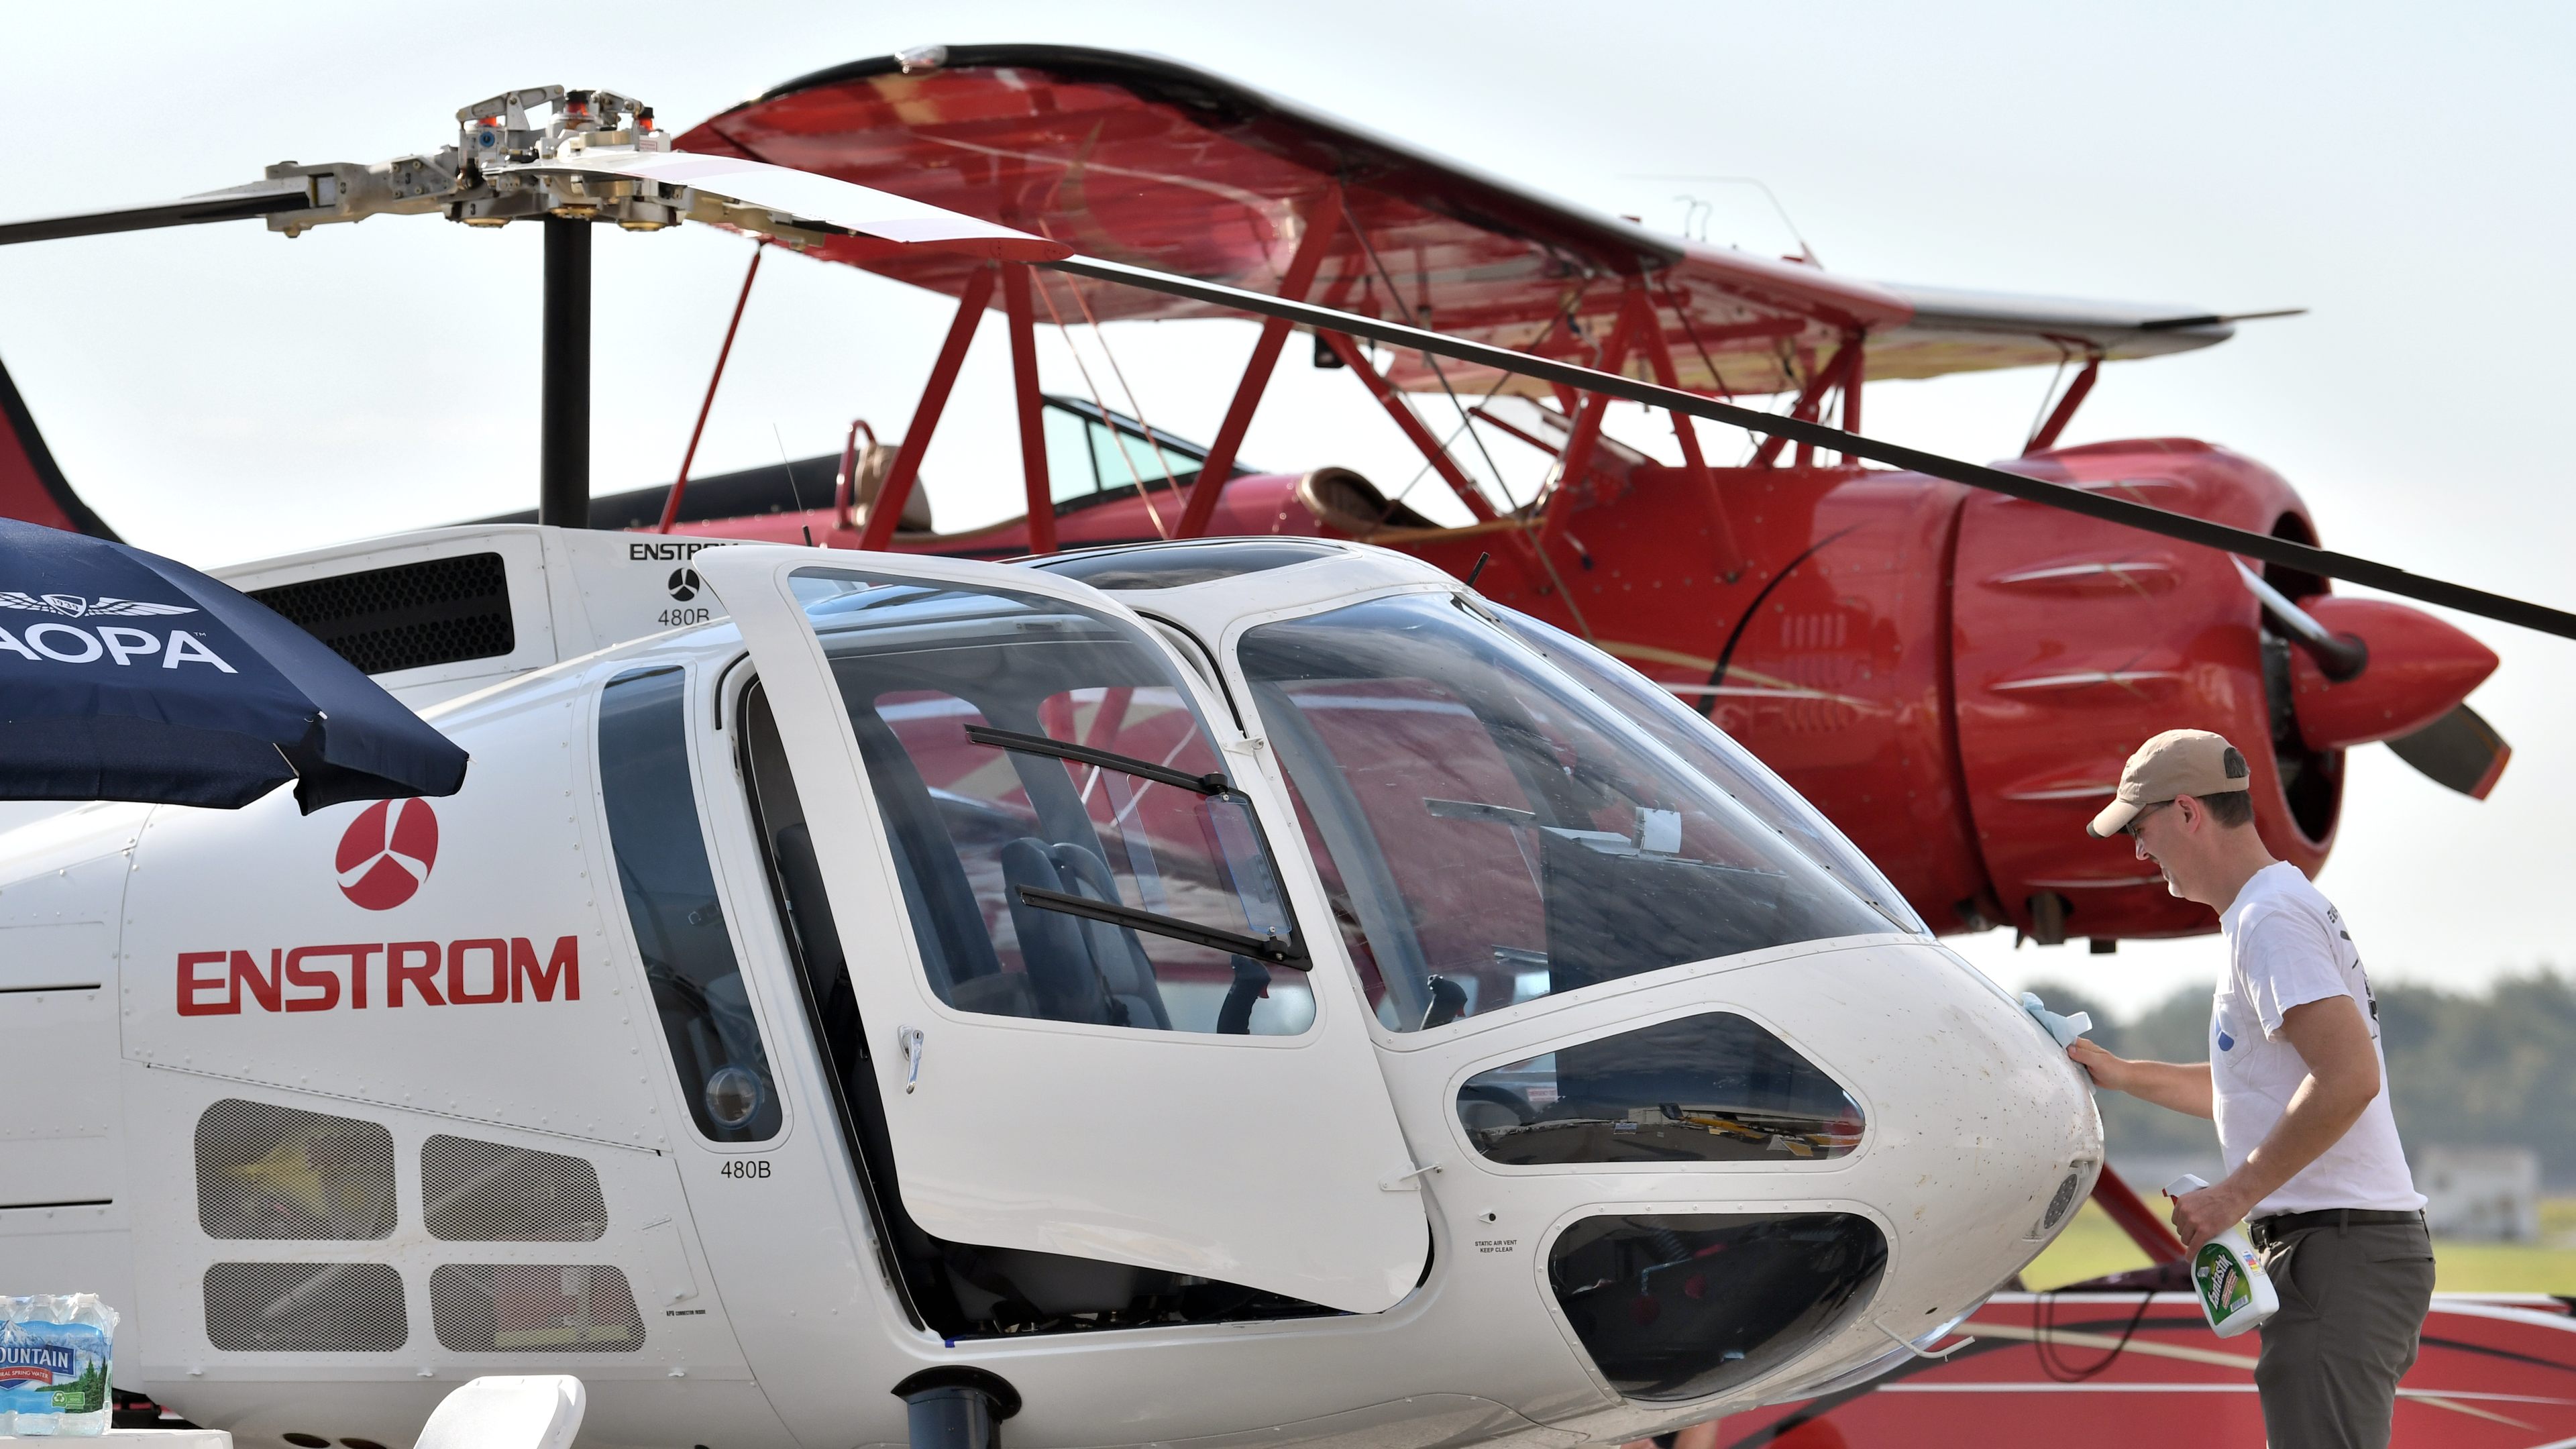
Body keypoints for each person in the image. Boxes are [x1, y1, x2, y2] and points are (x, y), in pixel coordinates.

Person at [2067, 729, 2431, 1449]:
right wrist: (2122, 1072)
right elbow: (2261, 1089)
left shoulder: (2269, 920)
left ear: (2188, 813)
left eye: (2141, 829)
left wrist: (2234, 1195)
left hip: (2338, 1251)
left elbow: (2348, 1079)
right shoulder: (2270, 910)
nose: (2141, 852)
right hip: (2338, 1250)